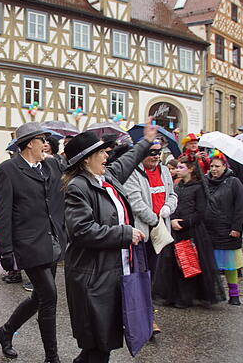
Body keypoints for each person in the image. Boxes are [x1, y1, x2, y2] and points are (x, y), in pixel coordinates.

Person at [62, 127, 154, 363]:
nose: (107, 156)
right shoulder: (78, 187)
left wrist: (146, 142)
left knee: (101, 343)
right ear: (86, 159)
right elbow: (81, 231)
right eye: (101, 152)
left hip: (113, 273)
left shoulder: (107, 177)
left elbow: (128, 160)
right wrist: (124, 234)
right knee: (99, 344)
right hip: (93, 278)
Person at [0, 121, 66, 363]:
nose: (46, 144)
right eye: (42, 140)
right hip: (28, 245)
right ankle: (52, 357)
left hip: (51, 241)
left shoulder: (51, 165)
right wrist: (5, 250)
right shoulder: (8, 170)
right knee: (49, 296)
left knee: (39, 297)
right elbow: (2, 213)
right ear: (29, 144)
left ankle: (5, 332)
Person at [153, 157, 226, 308]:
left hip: (191, 231)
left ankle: (186, 297)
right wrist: (172, 219)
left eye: (181, 167)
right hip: (175, 230)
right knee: (173, 264)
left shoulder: (199, 187)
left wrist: (184, 223)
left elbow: (201, 212)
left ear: (191, 169)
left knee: (188, 263)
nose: (177, 170)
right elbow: (171, 204)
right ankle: (173, 295)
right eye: (177, 167)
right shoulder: (177, 186)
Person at [122, 137, 177, 334]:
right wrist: (154, 220)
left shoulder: (164, 171)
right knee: (140, 276)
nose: (155, 156)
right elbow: (135, 202)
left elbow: (173, 194)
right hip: (143, 233)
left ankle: (146, 315)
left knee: (152, 276)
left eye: (158, 152)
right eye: (151, 152)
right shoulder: (133, 173)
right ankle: (145, 319)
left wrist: (167, 208)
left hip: (160, 231)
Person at [203, 152, 243, 306]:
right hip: (209, 231)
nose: (214, 169)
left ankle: (234, 294)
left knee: (230, 265)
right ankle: (211, 294)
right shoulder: (205, 182)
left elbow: (240, 206)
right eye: (212, 166)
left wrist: (236, 227)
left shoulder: (234, 182)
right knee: (209, 265)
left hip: (227, 230)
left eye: (217, 166)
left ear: (224, 167)